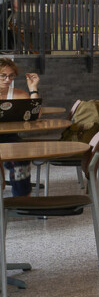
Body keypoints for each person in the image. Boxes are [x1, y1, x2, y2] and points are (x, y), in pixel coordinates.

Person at [0, 58, 42, 195]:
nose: (8, 79)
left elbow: (36, 114)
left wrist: (33, 88)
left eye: (11, 76)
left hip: (9, 137)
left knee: (21, 157)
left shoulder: (17, 94)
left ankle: (22, 198)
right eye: (3, 75)